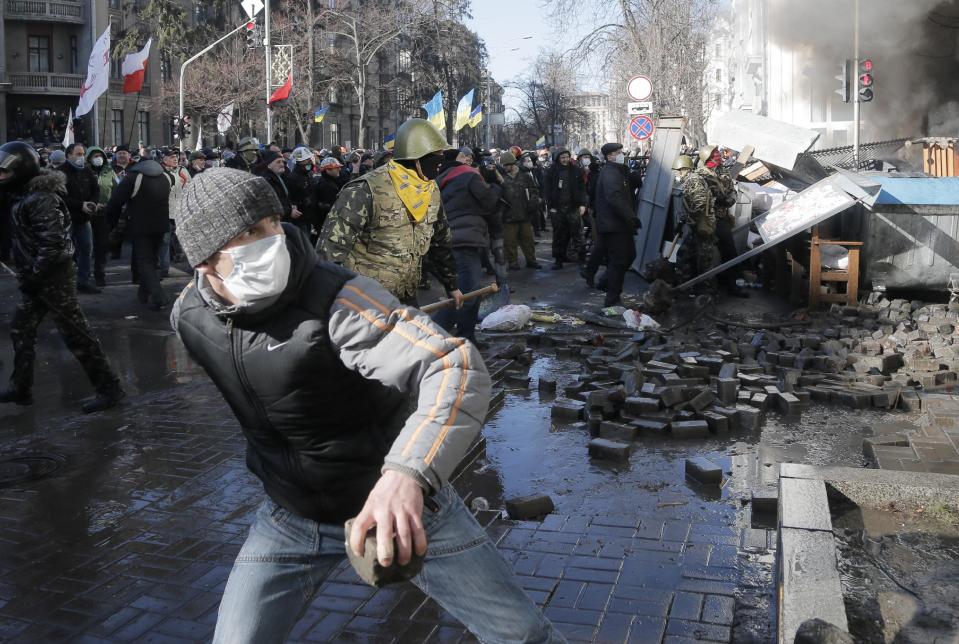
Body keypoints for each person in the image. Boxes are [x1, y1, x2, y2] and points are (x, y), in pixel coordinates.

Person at [168, 169, 564, 644]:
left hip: (400, 508)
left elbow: (452, 365)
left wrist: (406, 475)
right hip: (289, 516)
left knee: (522, 635)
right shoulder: (190, 317)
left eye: (273, 221)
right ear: (207, 259)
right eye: (251, 232)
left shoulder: (337, 299)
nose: (273, 238)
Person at [0, 141, 124, 413]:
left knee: (77, 334)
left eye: (5, 172)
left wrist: (35, 275)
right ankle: (21, 387)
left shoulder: (41, 199)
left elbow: (54, 244)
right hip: (38, 276)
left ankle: (110, 388)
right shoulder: (22, 195)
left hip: (52, 278)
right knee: (22, 329)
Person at [316, 118, 462, 307]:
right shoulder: (365, 189)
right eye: (437, 154)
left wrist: (451, 284)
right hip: (366, 301)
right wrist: (328, 305)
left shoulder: (430, 189)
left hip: (406, 297)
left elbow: (440, 241)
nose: (442, 159)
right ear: (417, 156)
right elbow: (329, 252)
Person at [435, 147, 503, 343]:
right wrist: (495, 184)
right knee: (468, 294)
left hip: (448, 240)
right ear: (457, 159)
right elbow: (489, 201)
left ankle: (464, 336)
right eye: (464, 156)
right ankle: (436, 334)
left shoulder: (443, 178)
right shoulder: (468, 175)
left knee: (460, 292)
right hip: (466, 240)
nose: (469, 159)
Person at [104, 153, 172, 310]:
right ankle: (143, 294)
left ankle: (159, 296)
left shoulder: (133, 177)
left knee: (145, 261)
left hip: (141, 226)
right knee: (152, 259)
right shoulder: (165, 176)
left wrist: (111, 223)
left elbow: (115, 201)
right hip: (161, 225)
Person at [582, 143, 641, 308]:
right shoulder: (610, 173)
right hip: (614, 225)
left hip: (616, 224)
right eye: (618, 152)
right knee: (620, 260)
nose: (621, 154)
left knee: (628, 256)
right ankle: (612, 299)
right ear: (609, 156)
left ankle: (605, 282)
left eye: (621, 151)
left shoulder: (617, 171)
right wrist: (630, 217)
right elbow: (614, 197)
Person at [697, 145, 748, 298]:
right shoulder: (700, 174)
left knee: (730, 252)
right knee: (702, 256)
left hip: (721, 219)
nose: (718, 156)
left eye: (717, 154)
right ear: (706, 157)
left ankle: (733, 286)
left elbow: (731, 190)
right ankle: (702, 289)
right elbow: (698, 196)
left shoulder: (723, 172)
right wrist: (716, 198)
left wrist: (730, 199)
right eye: (714, 154)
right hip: (704, 220)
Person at [59, 143, 101, 294]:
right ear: (69, 155)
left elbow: (96, 189)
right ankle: (64, 283)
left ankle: (83, 280)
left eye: (82, 154)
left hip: (84, 218)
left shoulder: (86, 171)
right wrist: (80, 204)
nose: (81, 157)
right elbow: (60, 196)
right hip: (66, 219)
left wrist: (93, 203)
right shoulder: (60, 173)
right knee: (64, 252)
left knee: (86, 249)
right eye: (78, 154)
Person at [673, 154, 717, 286]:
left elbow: (700, 203)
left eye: (677, 170)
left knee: (704, 263)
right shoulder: (691, 180)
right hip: (697, 227)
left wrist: (691, 219)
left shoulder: (694, 181)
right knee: (685, 255)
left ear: (683, 169)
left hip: (702, 228)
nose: (676, 173)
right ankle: (686, 286)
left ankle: (708, 293)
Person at [543, 148, 587, 270]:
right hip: (557, 208)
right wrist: (551, 207)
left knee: (577, 234)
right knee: (559, 235)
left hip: (573, 207)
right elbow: (547, 190)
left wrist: (583, 204)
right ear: (558, 158)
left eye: (567, 157)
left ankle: (582, 259)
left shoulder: (576, 170)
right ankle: (558, 260)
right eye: (562, 157)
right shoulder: (551, 171)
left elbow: (582, 189)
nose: (565, 159)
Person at [498, 151, 541, 271]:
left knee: (528, 240)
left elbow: (534, 191)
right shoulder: (502, 179)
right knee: (510, 242)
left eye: (507, 165)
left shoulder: (525, 176)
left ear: (513, 164)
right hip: (509, 216)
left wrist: (532, 204)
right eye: (504, 165)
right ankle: (512, 262)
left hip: (524, 214)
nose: (505, 167)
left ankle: (531, 260)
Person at [85, 146, 115, 287]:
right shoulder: (84, 172)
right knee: (86, 246)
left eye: (100, 155)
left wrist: (108, 205)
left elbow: (116, 190)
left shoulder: (109, 171)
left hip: (104, 213)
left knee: (102, 246)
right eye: (95, 156)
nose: (98, 158)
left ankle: (99, 274)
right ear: (89, 158)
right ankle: (84, 275)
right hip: (86, 214)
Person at [284, 146, 318, 238]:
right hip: (299, 219)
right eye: (305, 160)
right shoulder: (292, 178)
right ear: (297, 162)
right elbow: (289, 198)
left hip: (309, 217)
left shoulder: (308, 175)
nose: (309, 162)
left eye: (309, 159)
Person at [314, 156, 344, 230]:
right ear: (327, 170)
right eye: (336, 167)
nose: (339, 169)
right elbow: (331, 206)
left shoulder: (331, 181)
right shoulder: (326, 185)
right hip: (326, 223)